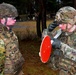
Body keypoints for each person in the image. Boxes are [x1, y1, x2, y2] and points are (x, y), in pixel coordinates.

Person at [42, 6, 76, 75]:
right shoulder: (60, 32)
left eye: (62, 23)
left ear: (71, 22)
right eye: (58, 23)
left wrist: (61, 46)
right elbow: (45, 41)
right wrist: (48, 30)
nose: (59, 26)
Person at [0, 3, 25, 75]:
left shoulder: (11, 33)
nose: (15, 20)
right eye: (12, 17)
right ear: (2, 18)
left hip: (17, 70)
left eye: (15, 17)